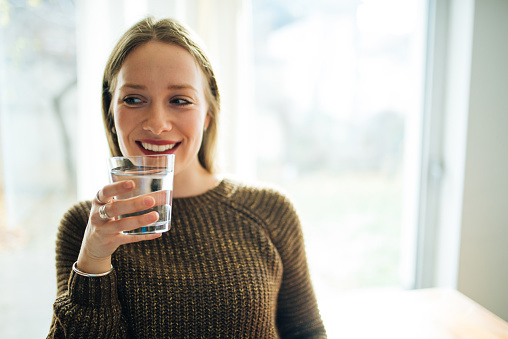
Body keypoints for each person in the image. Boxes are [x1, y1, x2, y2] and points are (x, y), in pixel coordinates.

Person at [48, 17, 327, 338]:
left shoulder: (269, 210)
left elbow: (307, 332)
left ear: (208, 113)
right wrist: (93, 262)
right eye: (133, 99)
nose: (157, 123)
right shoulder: (84, 227)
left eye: (179, 100)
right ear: (110, 111)